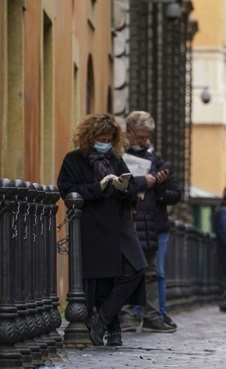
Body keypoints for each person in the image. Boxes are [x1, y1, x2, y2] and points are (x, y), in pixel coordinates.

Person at [56, 113, 147, 347]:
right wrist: (99, 187)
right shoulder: (74, 160)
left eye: (108, 139)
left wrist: (123, 188)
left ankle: (102, 320)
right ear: (89, 136)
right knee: (104, 280)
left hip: (119, 227)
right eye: (101, 139)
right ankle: (113, 330)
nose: (105, 143)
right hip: (93, 227)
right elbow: (67, 190)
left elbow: (132, 191)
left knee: (136, 268)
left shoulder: (115, 159)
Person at [119, 111, 181, 333]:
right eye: (141, 137)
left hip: (150, 223)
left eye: (147, 137)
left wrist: (160, 186)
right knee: (125, 271)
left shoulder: (156, 161)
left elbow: (174, 194)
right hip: (126, 220)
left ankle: (152, 315)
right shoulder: (118, 157)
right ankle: (126, 315)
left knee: (152, 273)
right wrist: (142, 182)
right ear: (129, 132)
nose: (145, 142)